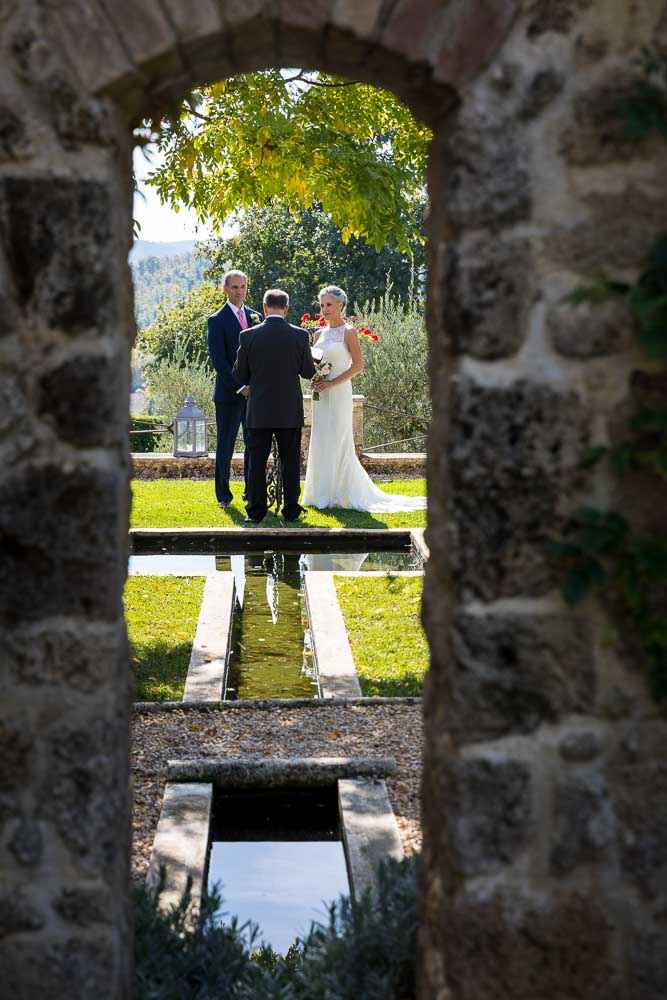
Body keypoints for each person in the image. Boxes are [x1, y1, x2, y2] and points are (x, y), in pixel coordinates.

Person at [302, 285, 427, 513]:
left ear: (341, 305)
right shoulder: (318, 334)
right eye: (322, 305)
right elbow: (314, 363)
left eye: (329, 305)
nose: (324, 309)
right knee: (321, 438)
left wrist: (332, 382)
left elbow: (358, 366)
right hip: (321, 395)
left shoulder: (348, 332)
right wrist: (316, 378)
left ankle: (341, 493)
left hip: (339, 393)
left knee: (339, 440)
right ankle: (319, 494)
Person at [232, 288, 316, 524]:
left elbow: (240, 374)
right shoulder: (300, 336)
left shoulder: (247, 336)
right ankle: (291, 510)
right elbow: (308, 372)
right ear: (286, 308)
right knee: (290, 462)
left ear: (264, 307)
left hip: (259, 409)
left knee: (256, 462)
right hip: (289, 409)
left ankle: (255, 511)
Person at [207, 270, 262, 508]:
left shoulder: (256, 316)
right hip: (229, 395)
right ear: (225, 290)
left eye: (243, 287)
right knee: (225, 445)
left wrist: (256, 386)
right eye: (234, 287)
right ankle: (223, 495)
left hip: (254, 395)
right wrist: (240, 387)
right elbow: (218, 360)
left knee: (253, 443)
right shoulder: (216, 320)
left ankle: (250, 491)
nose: (239, 291)